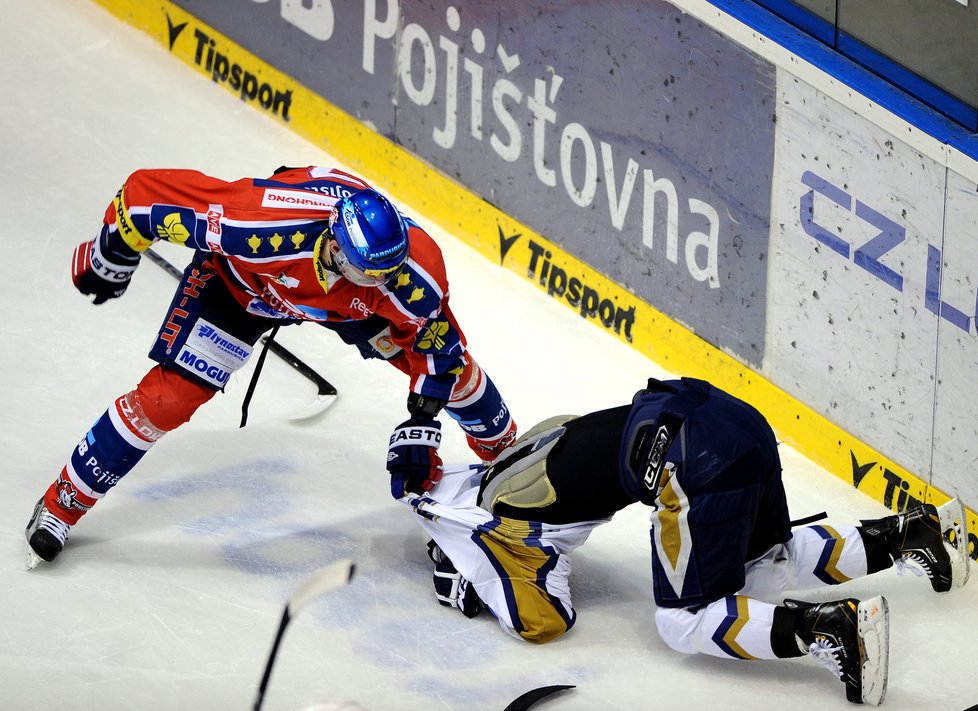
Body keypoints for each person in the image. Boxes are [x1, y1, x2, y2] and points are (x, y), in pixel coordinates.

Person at [25, 166, 516, 566]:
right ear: (333, 244)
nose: (379, 281)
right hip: (240, 290)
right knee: (166, 400)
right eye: (366, 271)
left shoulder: (405, 275)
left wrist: (422, 422)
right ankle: (62, 503)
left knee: (459, 377)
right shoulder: (252, 223)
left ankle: (510, 459)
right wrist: (110, 257)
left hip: (342, 307)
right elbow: (141, 197)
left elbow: (438, 346)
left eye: (386, 272)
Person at [392, 376, 971, 706]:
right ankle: (910, 534)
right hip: (731, 419)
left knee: (681, 621)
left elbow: (545, 620)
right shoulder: (505, 471)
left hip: (690, 461)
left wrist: (468, 596)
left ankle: (829, 629)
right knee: (767, 568)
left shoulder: (507, 527)